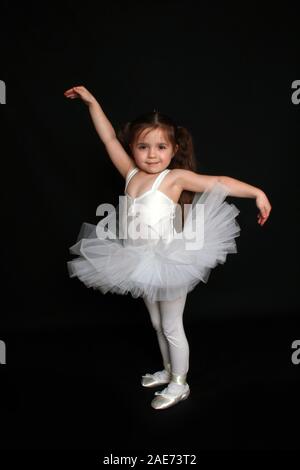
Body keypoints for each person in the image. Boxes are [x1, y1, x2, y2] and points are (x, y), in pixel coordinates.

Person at [65, 85, 272, 410]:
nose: (151, 154)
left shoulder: (173, 178)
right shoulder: (130, 173)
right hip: (137, 259)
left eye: (160, 147)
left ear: (173, 149)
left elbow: (219, 182)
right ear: (132, 148)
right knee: (157, 323)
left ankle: (180, 383)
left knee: (173, 324)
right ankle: (167, 370)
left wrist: (257, 192)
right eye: (143, 146)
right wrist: (91, 102)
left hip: (170, 259)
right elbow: (107, 138)